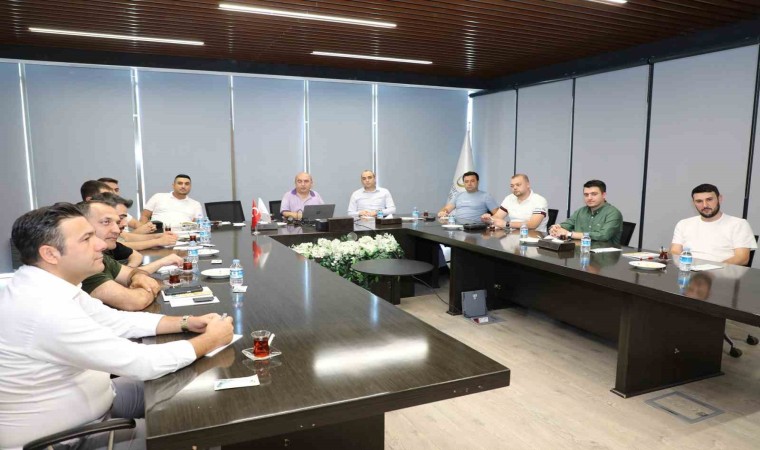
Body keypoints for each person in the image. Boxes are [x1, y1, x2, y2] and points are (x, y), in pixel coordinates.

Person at [0, 203, 233, 450]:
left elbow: (117, 321)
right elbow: (142, 363)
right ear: (50, 254)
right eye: (87, 239)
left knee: (196, 389)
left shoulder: (49, 287)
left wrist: (186, 322)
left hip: (98, 398)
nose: (100, 244)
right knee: (194, 428)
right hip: (67, 439)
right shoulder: (43, 308)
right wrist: (211, 340)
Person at [79, 199, 165, 311]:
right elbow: (135, 301)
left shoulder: (100, 256)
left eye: (116, 222)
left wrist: (137, 276)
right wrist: (149, 288)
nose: (117, 230)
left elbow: (132, 272)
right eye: (106, 222)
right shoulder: (83, 261)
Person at [90, 193, 183, 273]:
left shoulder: (107, 246)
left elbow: (133, 250)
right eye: (106, 221)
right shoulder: (91, 256)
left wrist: (158, 236)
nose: (124, 224)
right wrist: (158, 243)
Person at [670, 183, 757, 266]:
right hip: (688, 270)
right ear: (693, 203)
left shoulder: (739, 224)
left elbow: (742, 258)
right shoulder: (683, 224)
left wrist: (711, 269)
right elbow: (674, 252)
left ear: (720, 199)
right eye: (699, 201)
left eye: (709, 199)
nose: (705, 205)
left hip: (722, 273)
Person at [549, 179, 623, 245]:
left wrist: (570, 234)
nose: (589, 198)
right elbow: (566, 225)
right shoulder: (581, 211)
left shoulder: (613, 213)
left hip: (604, 253)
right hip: (580, 251)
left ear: (603, 195)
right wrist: (555, 228)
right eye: (586, 195)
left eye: (594, 194)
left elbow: (603, 235)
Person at [481, 173, 549, 231]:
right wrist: (488, 219)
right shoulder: (509, 198)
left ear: (528, 185)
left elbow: (532, 224)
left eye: (518, 185)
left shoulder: (539, 200)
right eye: (512, 186)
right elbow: (498, 216)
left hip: (534, 238)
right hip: (513, 237)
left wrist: (506, 224)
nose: (515, 188)